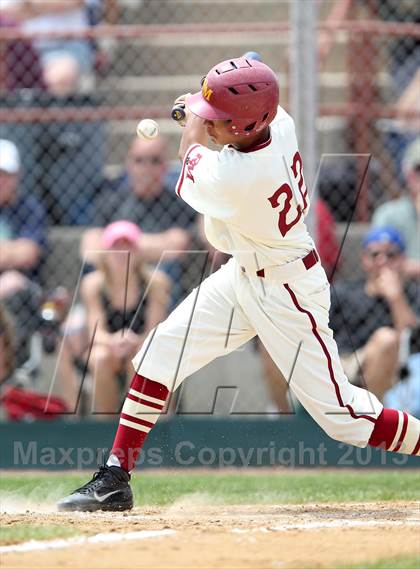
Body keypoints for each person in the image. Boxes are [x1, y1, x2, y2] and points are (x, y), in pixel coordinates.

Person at [58, 57, 420, 512]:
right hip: (244, 273)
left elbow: (191, 153)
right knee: (158, 352)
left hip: (286, 291)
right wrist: (204, 106)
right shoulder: (278, 120)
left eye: (222, 123)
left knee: (342, 418)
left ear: (249, 126)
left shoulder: (237, 178)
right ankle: (115, 477)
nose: (213, 126)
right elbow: (234, 105)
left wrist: (192, 122)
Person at [57, 220, 171, 418]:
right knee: (99, 358)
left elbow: (155, 331)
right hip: (108, 347)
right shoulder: (93, 285)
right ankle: (107, 427)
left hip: (142, 345)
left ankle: (141, 425)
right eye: (116, 247)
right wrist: (115, 341)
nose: (122, 253)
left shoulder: (156, 283)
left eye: (128, 246)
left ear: (138, 253)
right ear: (106, 253)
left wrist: (134, 342)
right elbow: (96, 332)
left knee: (144, 358)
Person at [82, 135, 196, 305]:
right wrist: (155, 247)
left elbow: (177, 246)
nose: (146, 168)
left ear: (165, 166)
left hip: (158, 285)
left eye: (155, 160)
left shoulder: (177, 202)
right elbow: (90, 248)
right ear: (128, 164)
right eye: (139, 160)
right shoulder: (111, 199)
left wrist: (120, 246)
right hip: (116, 284)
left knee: (168, 269)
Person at [330, 226, 420, 402]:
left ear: (402, 259)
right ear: (364, 259)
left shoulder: (412, 294)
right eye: (375, 255)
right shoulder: (343, 293)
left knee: (387, 339)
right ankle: (280, 415)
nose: (382, 261)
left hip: (392, 374)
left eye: (391, 255)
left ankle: (371, 419)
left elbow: (412, 341)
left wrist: (396, 298)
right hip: (342, 364)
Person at [0, 139, 46, 367]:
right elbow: (15, 252)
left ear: (16, 176)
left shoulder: (28, 208)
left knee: (11, 281)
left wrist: (14, 253)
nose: (0, 181)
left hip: (22, 291)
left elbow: (28, 254)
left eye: (5, 174)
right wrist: (10, 250)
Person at [371, 138, 420, 280]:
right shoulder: (388, 214)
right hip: (401, 290)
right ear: (407, 172)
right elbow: (379, 263)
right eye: (418, 169)